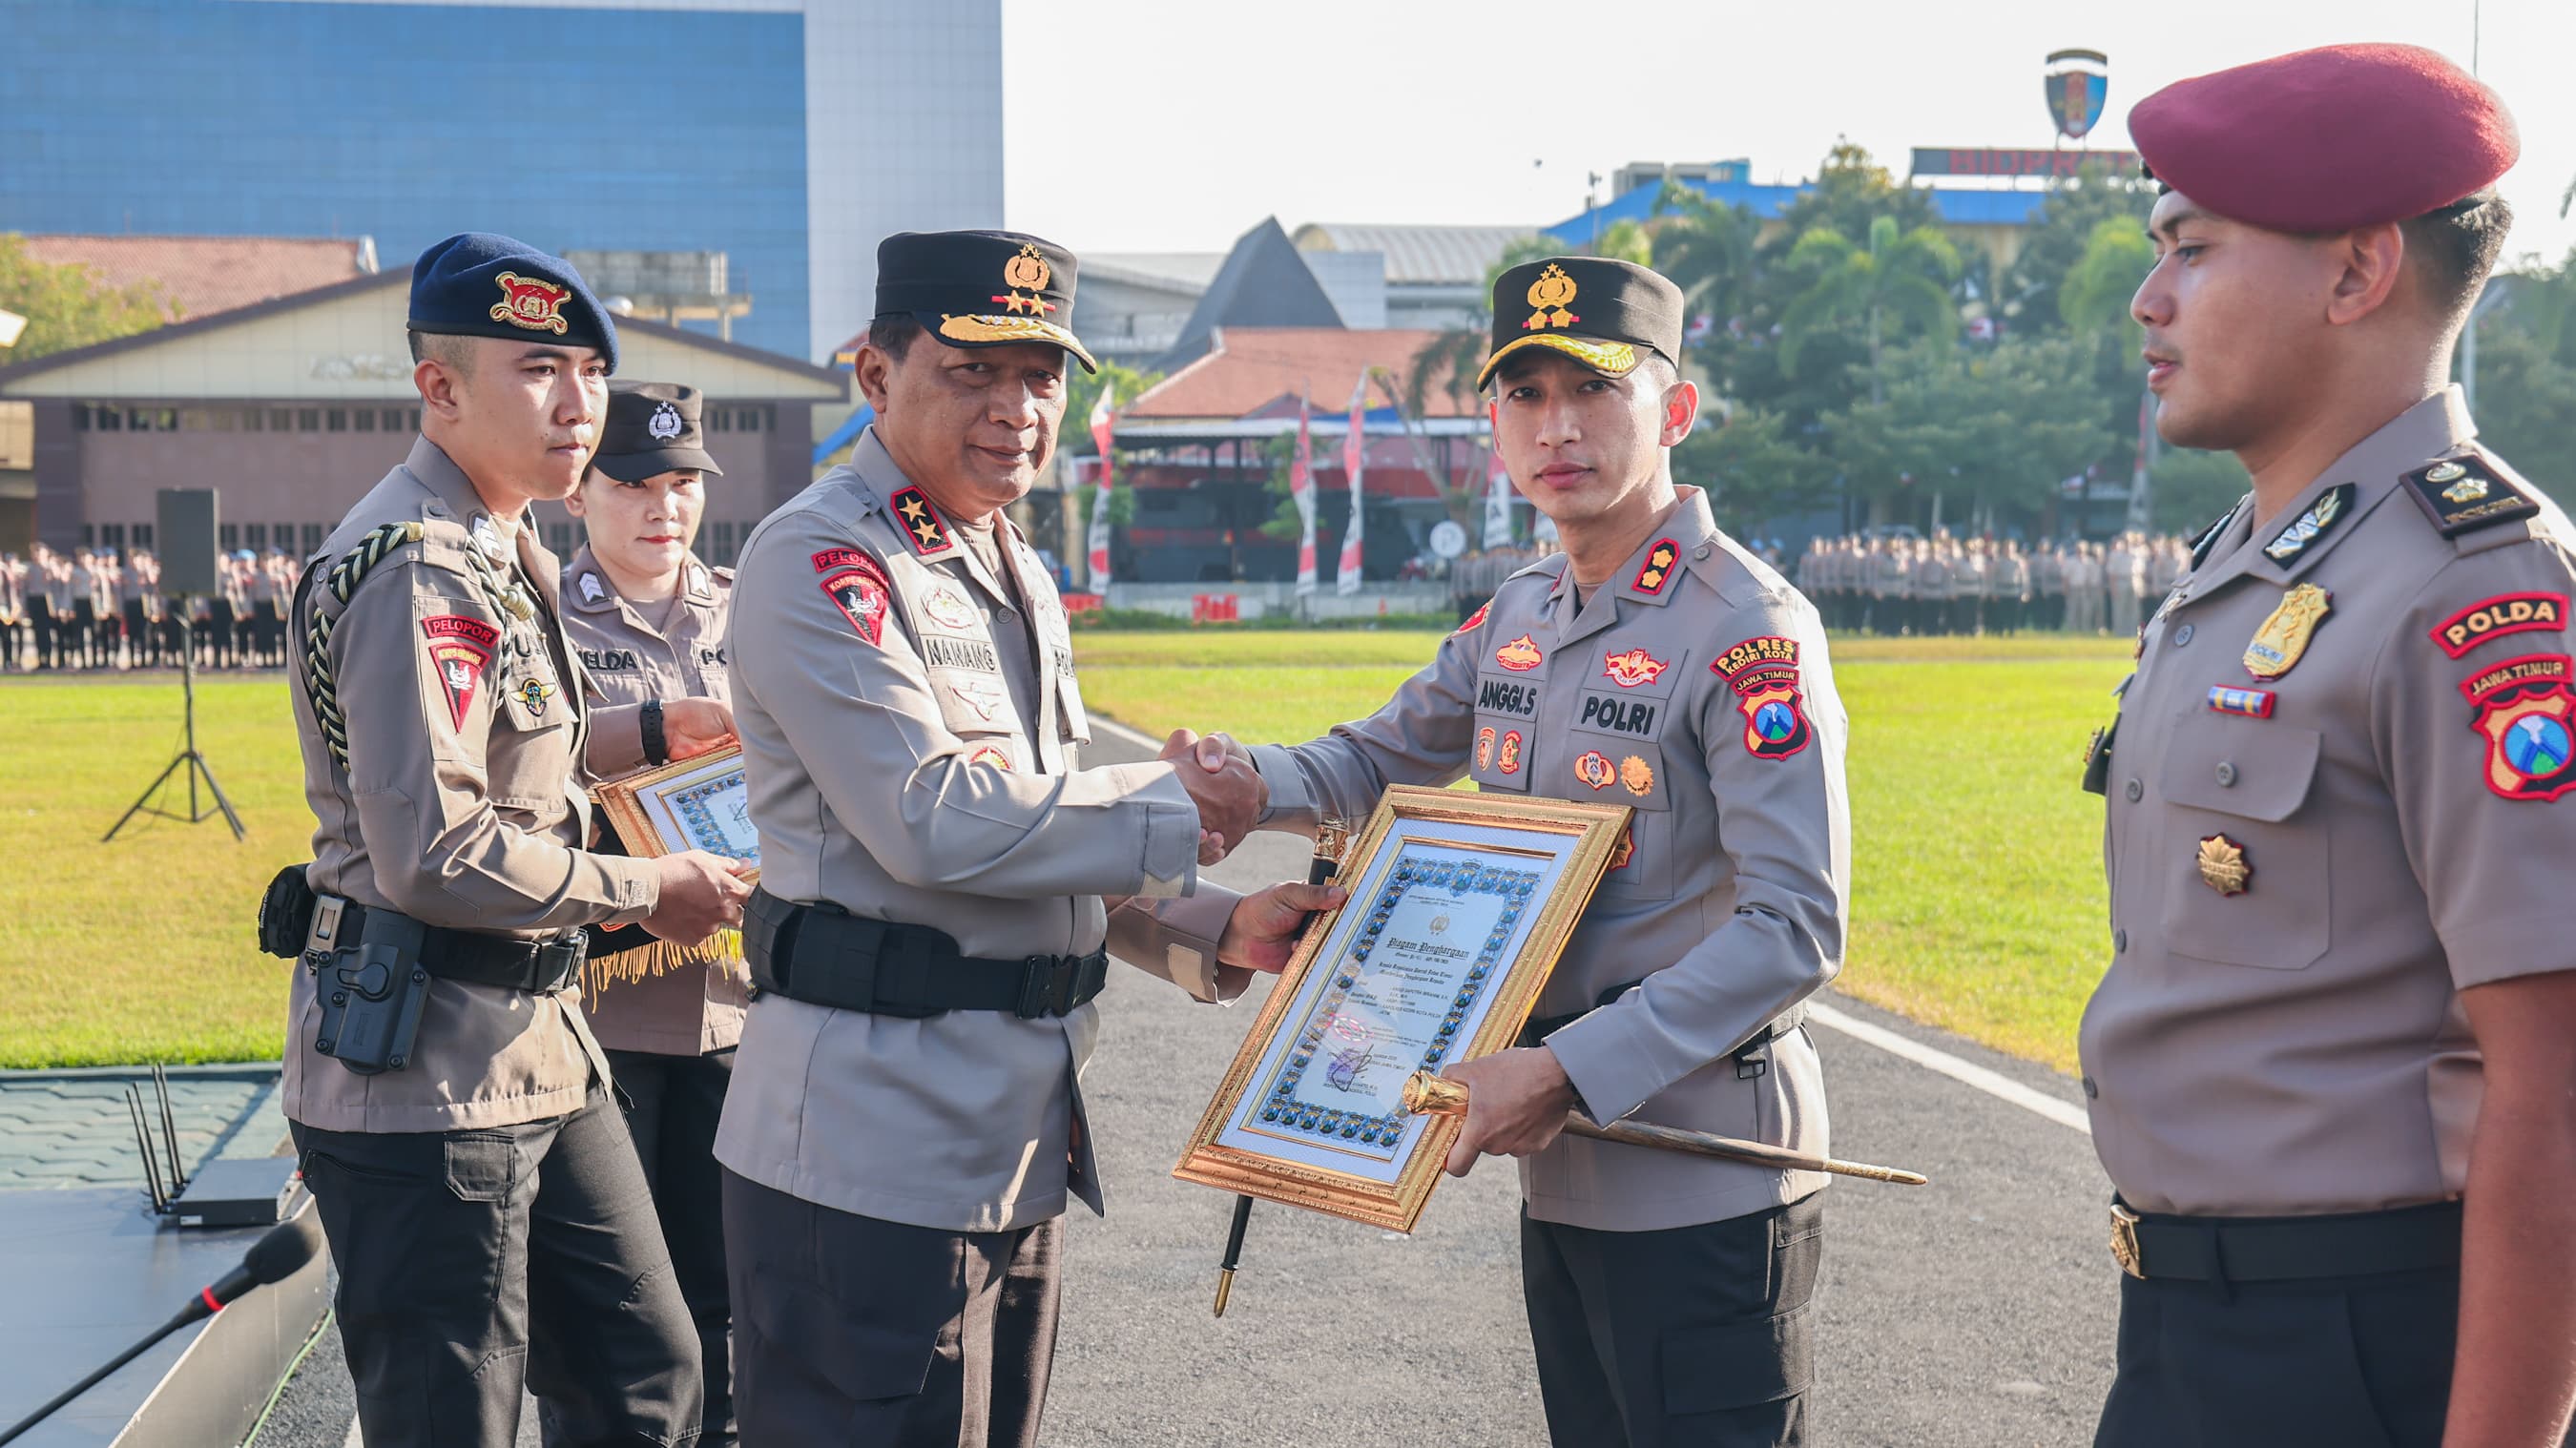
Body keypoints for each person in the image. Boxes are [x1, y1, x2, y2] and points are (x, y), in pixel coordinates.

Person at [1205, 256, 1849, 1447]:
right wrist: (1247, 787)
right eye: (1524, 394)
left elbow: (1796, 928)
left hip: (1701, 1169)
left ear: (1677, 409)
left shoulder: (1746, 629)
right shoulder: (1521, 614)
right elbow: (1375, 757)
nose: (1558, 427)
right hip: (1561, 1174)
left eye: (1594, 391)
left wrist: (1566, 1070)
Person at [713, 230, 1341, 1447]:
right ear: (874, 373)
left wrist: (1218, 928)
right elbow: (936, 825)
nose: (1016, 409)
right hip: (865, 1157)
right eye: (972, 372)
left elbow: (1039, 844)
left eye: (1043, 377)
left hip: (1011, 1145)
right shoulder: (821, 559)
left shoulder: (1011, 564)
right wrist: (1188, 807)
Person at [2084, 45, 2576, 1447]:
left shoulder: (2476, 588)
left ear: (2358, 275)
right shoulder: (2248, 564)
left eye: (2193, 247)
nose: (2150, 295)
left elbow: (2556, 1079)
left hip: (2364, 1347)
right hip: (2188, 1326)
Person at [272, 233, 753, 1448]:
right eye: (540, 369)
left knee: (650, 1376)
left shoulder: (505, 544)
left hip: (542, 1044)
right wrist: (648, 887)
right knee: (454, 1419)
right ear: (440, 389)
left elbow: (531, 762)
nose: (580, 404)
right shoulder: (419, 566)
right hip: (428, 1077)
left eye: (590, 370)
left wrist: (654, 734)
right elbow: (435, 853)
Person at [557, 379, 745, 1445]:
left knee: (728, 1297)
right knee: (612, 1313)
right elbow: (510, 754)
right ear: (580, 490)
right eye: (633, 482)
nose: (662, 505)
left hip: (733, 1004)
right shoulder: (546, 618)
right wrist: (653, 726)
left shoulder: (745, 612)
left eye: (682, 483)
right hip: (600, 1011)